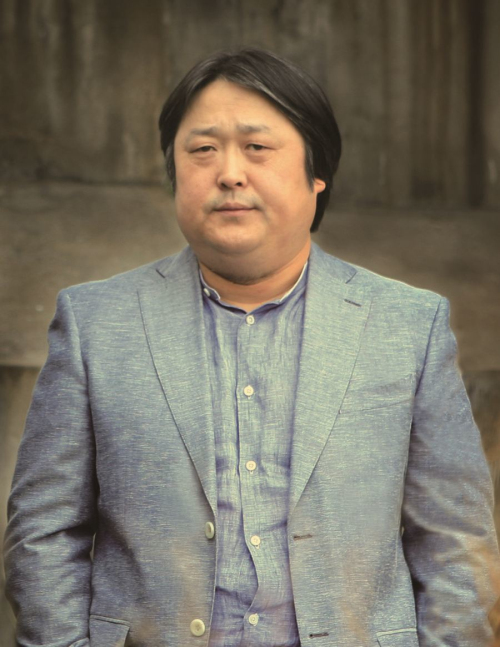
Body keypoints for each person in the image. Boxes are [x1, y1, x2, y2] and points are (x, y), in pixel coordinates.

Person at [4, 47, 500, 647]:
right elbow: (43, 531)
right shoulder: (96, 323)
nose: (230, 173)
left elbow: (456, 543)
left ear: (317, 173)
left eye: (257, 147)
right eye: (202, 150)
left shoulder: (407, 326)